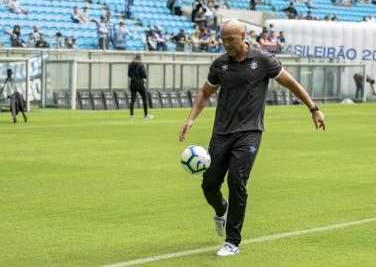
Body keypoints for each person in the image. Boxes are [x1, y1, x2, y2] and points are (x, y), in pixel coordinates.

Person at [178, 19, 325, 257]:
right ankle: (220, 208)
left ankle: (232, 241)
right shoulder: (219, 65)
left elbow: (291, 83)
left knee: (237, 180)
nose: (225, 44)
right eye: (222, 39)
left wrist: (314, 108)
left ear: (243, 35)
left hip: (250, 132)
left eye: (229, 39)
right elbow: (205, 92)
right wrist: (191, 118)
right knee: (209, 184)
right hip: (221, 133)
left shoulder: (263, 60)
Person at [128, 54, 154, 120]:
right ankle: (146, 115)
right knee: (145, 98)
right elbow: (145, 75)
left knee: (132, 100)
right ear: (140, 58)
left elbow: (129, 74)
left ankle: (132, 115)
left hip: (132, 84)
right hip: (140, 84)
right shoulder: (141, 65)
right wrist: (146, 74)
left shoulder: (130, 65)